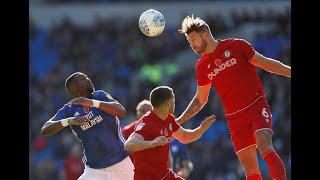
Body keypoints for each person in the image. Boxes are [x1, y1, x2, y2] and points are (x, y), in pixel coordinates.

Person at [176, 16, 291, 180]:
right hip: (235, 118)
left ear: (205, 33)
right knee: (249, 167)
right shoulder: (202, 66)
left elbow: (266, 63)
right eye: (189, 42)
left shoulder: (237, 45)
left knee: (263, 142)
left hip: (256, 106)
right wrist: (179, 120)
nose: (192, 45)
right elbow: (200, 100)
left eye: (193, 39)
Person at [40, 72, 134, 180]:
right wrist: (69, 121)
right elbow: (45, 129)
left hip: (121, 162)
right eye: (83, 79)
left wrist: (93, 103)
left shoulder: (100, 96)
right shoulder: (69, 110)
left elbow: (121, 111)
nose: (88, 79)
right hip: (95, 170)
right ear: (73, 89)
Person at [124, 86, 216, 180]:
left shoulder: (169, 119)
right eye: (173, 101)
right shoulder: (147, 122)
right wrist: (151, 143)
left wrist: (201, 129)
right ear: (168, 103)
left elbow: (185, 137)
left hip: (164, 175)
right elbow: (128, 144)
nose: (174, 104)